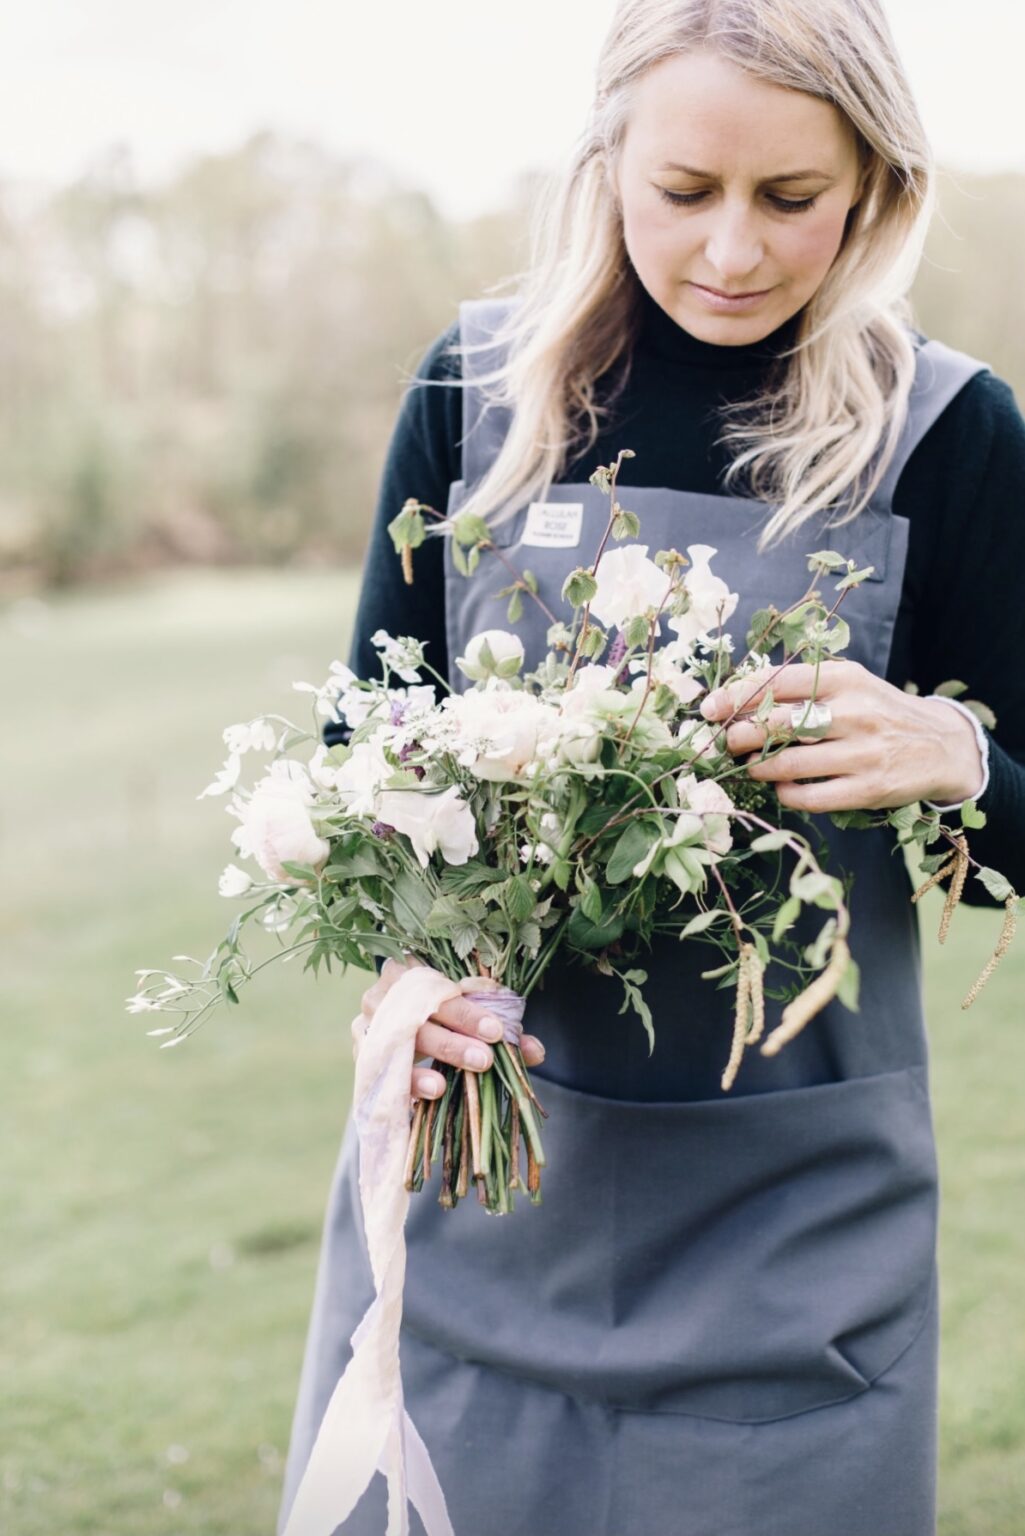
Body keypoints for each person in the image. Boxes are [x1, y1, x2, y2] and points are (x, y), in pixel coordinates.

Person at [279, 2, 1025, 1531]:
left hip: (791, 1227)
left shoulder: (949, 435)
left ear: (875, 190)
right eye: (683, 191)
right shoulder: (473, 393)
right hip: (482, 1176)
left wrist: (959, 757)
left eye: (790, 198)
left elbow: (1007, 825)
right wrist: (406, 975)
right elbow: (363, 767)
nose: (732, 251)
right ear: (605, 163)